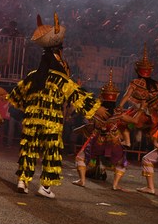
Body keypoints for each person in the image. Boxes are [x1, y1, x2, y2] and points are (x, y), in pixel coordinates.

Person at [7, 13, 108, 198]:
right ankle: (45, 187)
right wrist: (97, 109)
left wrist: (27, 109)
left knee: (29, 148)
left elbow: (16, 98)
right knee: (51, 152)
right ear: (60, 56)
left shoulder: (33, 75)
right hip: (51, 122)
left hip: (31, 121)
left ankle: (23, 180)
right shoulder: (60, 79)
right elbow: (77, 95)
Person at [72, 70, 140, 191]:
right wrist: (142, 109)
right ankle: (115, 184)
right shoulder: (119, 113)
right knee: (121, 163)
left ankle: (82, 180)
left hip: (96, 141)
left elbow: (87, 122)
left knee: (80, 158)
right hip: (113, 141)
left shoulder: (96, 111)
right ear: (115, 97)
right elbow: (135, 121)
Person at [117, 43, 158, 148]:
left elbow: (126, 96)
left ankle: (127, 141)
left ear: (138, 71)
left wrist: (120, 106)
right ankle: (157, 142)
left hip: (142, 108)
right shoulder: (156, 84)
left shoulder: (135, 83)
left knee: (121, 119)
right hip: (157, 109)